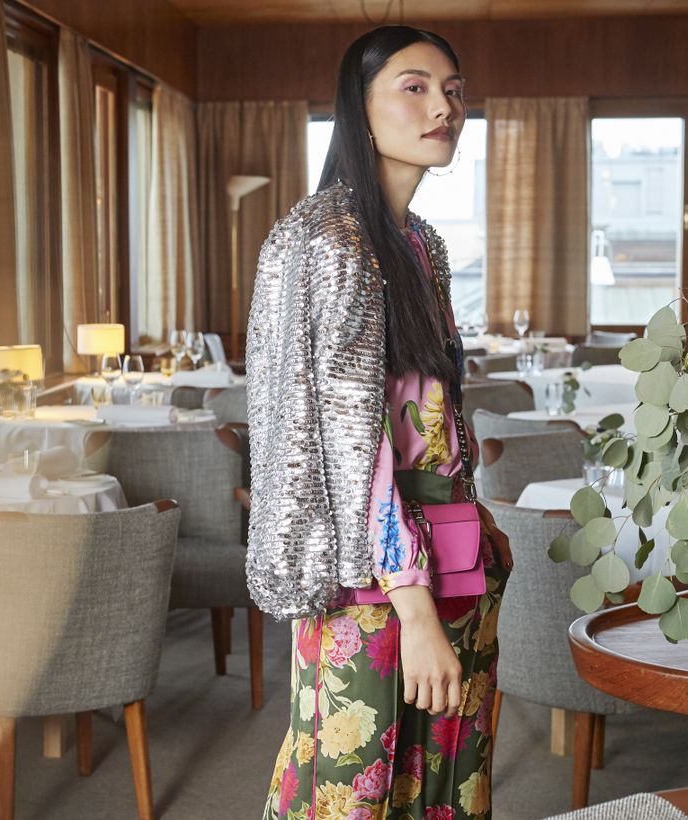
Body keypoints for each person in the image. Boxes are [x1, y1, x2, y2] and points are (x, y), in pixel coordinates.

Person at [246, 25, 514, 819]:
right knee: (350, 787)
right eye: (415, 86)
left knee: (447, 787)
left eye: (454, 90)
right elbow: (347, 443)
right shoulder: (326, 238)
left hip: (455, 554)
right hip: (375, 581)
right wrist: (414, 605)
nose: (444, 107)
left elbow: (427, 411)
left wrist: (477, 514)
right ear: (357, 109)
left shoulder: (420, 243)